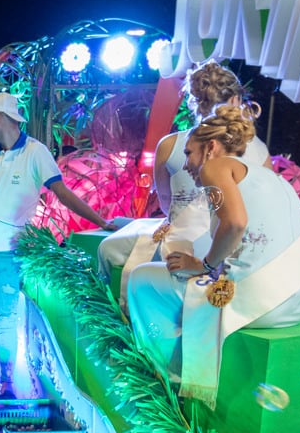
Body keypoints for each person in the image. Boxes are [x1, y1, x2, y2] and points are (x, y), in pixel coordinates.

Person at [126, 105, 300, 407]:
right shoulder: (272, 179)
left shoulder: (215, 167)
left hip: (260, 301)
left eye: (189, 153)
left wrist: (202, 265)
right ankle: (188, 360)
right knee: (183, 282)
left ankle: (167, 378)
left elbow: (236, 223)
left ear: (211, 147)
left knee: (142, 279)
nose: (187, 164)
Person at [0, 91, 116, 400]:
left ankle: (4, 382)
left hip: (10, 252)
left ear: (0, 118)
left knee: (5, 316)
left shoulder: (35, 152)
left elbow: (62, 193)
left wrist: (101, 220)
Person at [100, 60, 276, 297]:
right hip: (241, 247)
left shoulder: (171, 145)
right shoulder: (260, 149)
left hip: (188, 243)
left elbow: (166, 205)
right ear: (236, 100)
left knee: (106, 249)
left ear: (192, 101)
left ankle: (117, 319)